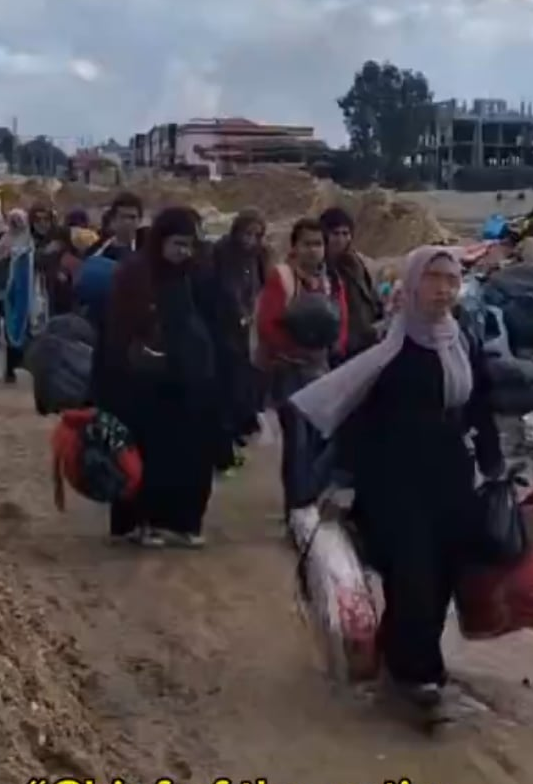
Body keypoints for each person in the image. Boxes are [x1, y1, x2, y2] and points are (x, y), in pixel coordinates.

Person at [291, 246, 504, 713]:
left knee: (446, 573)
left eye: (451, 280)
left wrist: (493, 463)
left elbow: (479, 406)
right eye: (434, 279)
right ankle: (418, 674)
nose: (443, 289)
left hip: (449, 473)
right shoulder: (386, 346)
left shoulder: (462, 338)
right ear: (411, 285)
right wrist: (342, 479)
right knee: (413, 575)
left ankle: (405, 653)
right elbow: (357, 414)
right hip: (395, 479)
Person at [97, 206, 221, 548]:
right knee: (143, 455)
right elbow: (117, 331)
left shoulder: (194, 274)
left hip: (187, 385)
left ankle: (179, 523)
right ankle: (138, 523)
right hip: (142, 386)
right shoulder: (135, 274)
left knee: (188, 455)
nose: (183, 252)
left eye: (188, 245)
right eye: (177, 244)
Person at [255, 217, 348, 516]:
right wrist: (296, 348)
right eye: (307, 244)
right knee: (297, 442)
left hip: (322, 371)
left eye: (318, 244)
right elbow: (267, 324)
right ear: (294, 247)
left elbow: (342, 321)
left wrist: (334, 349)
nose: (313, 250)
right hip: (290, 370)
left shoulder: (331, 281)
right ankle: (296, 507)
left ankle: (312, 501)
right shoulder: (281, 278)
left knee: (321, 440)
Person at [209, 208, 268, 471]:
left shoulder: (256, 258)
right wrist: (243, 316)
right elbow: (228, 292)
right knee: (229, 386)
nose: (251, 240)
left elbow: (259, 289)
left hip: (248, 331)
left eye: (257, 235)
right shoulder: (224, 255)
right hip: (226, 331)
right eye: (248, 234)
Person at [320, 207, 383, 359]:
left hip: (364, 341)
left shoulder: (356, 264)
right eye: (335, 234)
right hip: (335, 348)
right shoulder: (319, 267)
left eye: (345, 234)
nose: (341, 239)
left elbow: (370, 296)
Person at [0, 208, 40, 383]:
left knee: (30, 328)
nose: (17, 224)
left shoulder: (31, 242)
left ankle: (29, 365)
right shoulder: (4, 242)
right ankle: (10, 369)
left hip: (29, 292)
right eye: (14, 221)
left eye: (19, 221)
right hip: (9, 293)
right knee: (10, 328)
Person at [86, 192, 143, 261]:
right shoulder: (96, 251)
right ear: (113, 219)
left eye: (132, 217)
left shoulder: (146, 252)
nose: (127, 222)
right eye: (123, 217)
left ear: (140, 220)